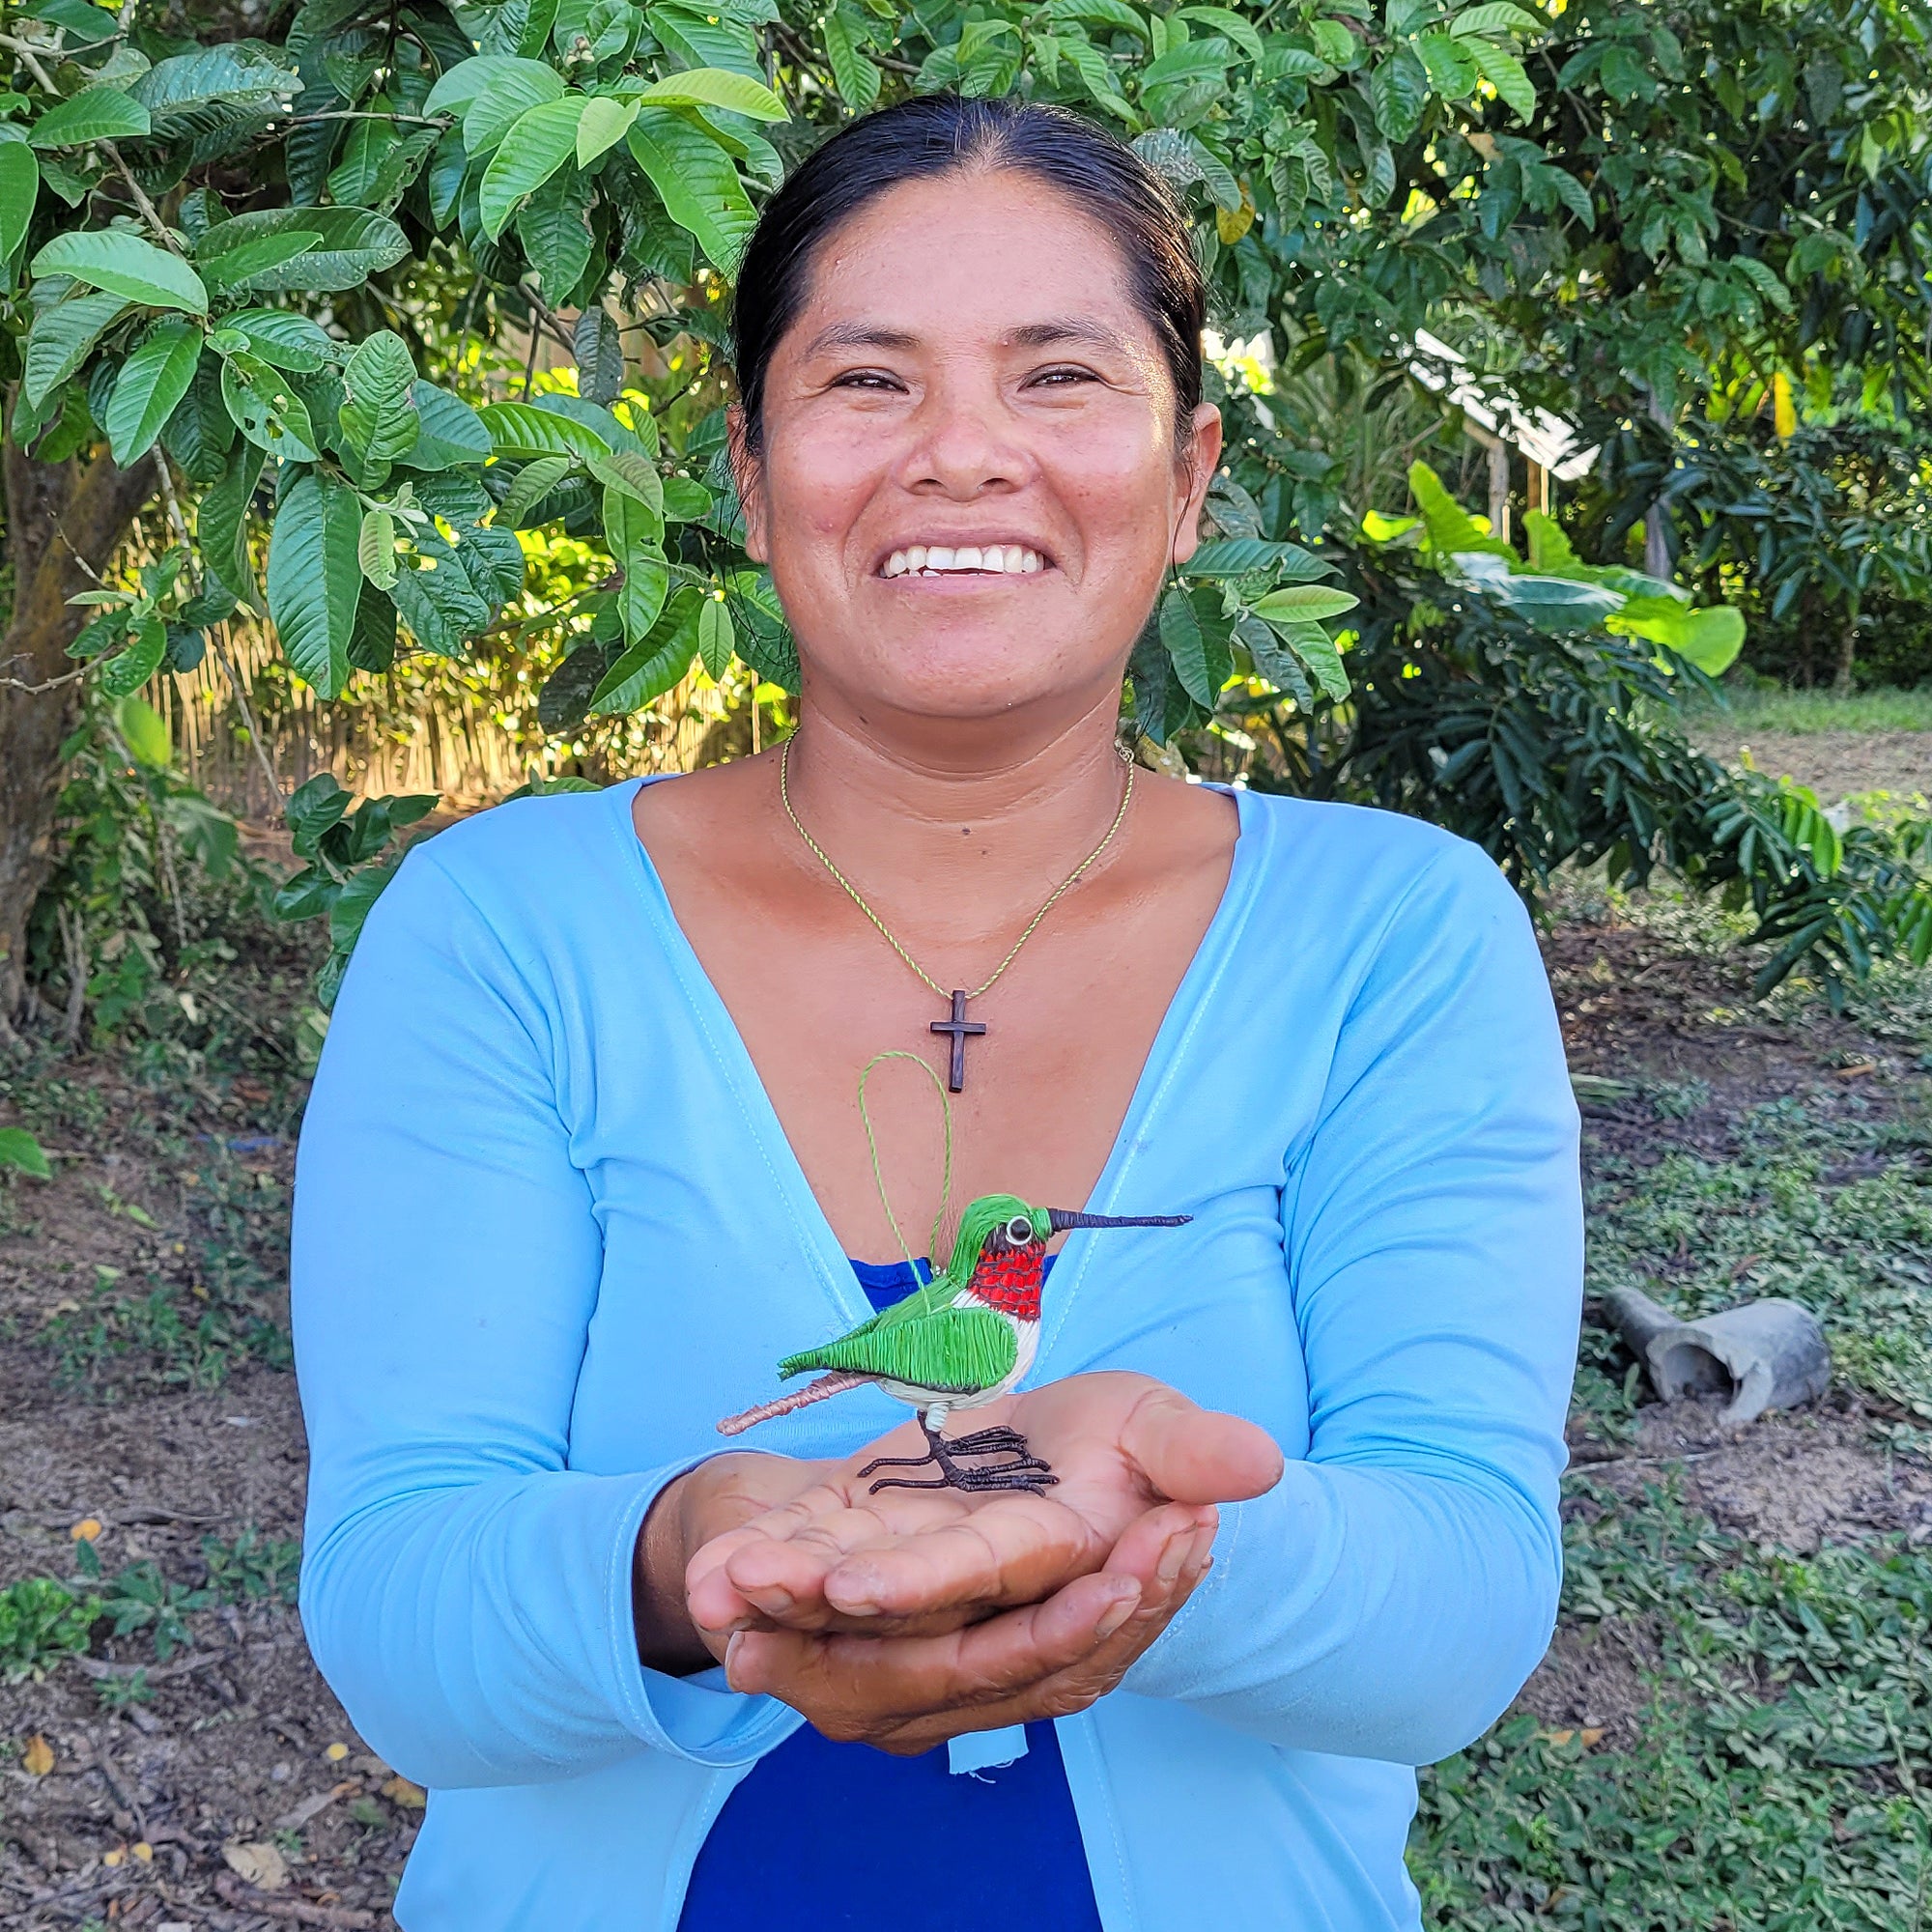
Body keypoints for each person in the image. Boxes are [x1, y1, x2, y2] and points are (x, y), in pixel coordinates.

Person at [293, 94, 1582, 1932]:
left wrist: (1144, 1535)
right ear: (749, 470)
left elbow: (1461, 1601)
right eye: (869, 382)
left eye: (1059, 376)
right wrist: (685, 1556)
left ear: (1193, 471)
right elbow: (401, 1611)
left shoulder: (1399, 936)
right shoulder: (506, 931)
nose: (964, 455)